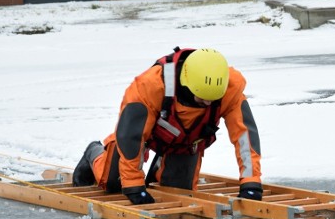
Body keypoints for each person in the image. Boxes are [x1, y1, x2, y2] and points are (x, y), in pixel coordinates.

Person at [72, 47, 262, 205]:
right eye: (201, 98)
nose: (207, 104)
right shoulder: (151, 85)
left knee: (178, 191)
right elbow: (132, 135)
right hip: (143, 136)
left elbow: (245, 137)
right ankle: (94, 152)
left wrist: (251, 181)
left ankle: (159, 169)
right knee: (114, 184)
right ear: (187, 85)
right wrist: (133, 185)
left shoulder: (230, 89)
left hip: (185, 143)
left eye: (212, 100)